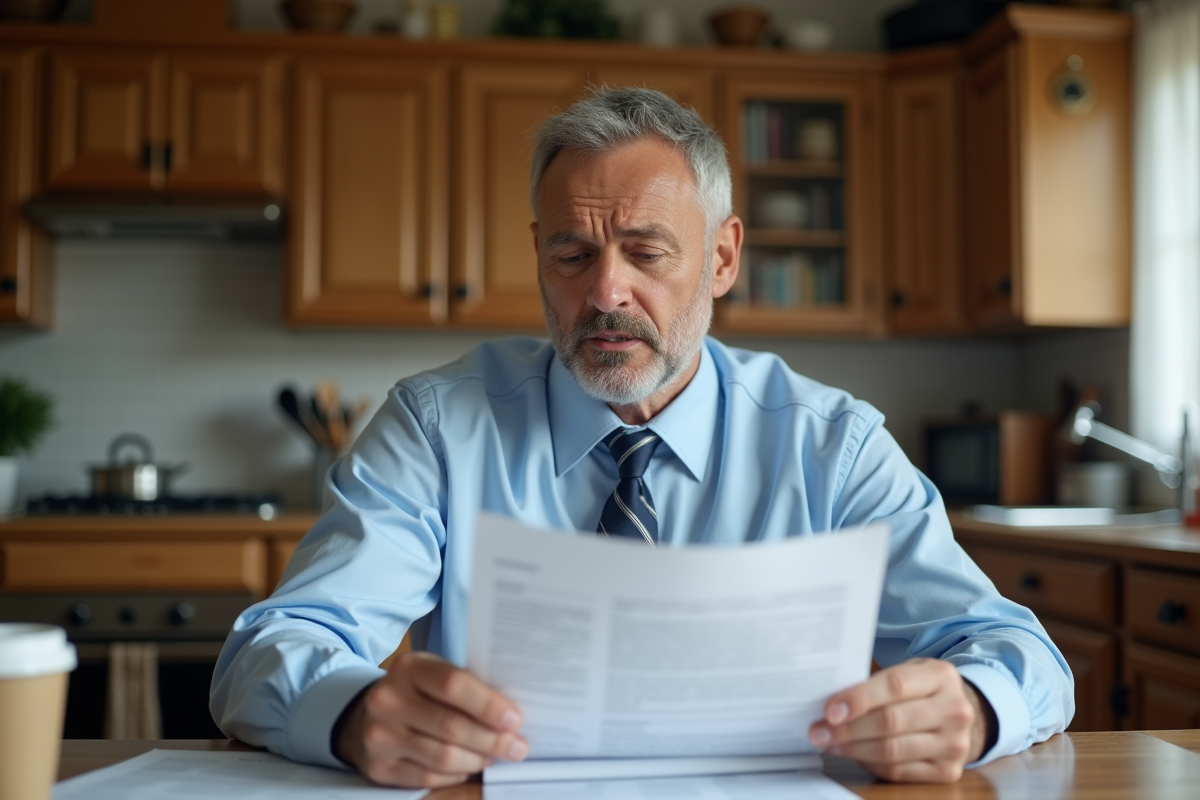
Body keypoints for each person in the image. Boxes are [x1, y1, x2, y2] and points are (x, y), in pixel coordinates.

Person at [210, 87, 1073, 789]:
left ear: (724, 258)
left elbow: (1021, 655)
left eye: (646, 252)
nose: (605, 293)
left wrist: (975, 705)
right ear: (538, 258)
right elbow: (267, 653)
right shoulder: (437, 427)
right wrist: (354, 714)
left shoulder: (831, 448)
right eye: (572, 255)